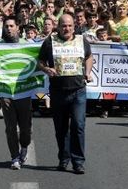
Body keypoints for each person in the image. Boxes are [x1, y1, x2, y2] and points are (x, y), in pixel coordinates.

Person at [38, 14, 93, 175]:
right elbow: (40, 62)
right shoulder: (49, 42)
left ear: (74, 26)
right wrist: (47, 69)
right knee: (61, 128)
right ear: (58, 26)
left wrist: (88, 72)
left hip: (78, 91)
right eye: (63, 26)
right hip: (58, 91)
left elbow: (89, 57)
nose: (66, 28)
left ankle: (78, 162)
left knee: (78, 126)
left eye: (69, 25)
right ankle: (63, 158)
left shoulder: (82, 40)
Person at [0, 16, 33, 170]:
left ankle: (24, 146)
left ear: (18, 27)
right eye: (6, 26)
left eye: (12, 26)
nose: (9, 28)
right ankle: (14, 156)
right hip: (6, 93)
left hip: (23, 92)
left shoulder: (27, 45)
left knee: (25, 127)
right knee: (10, 127)